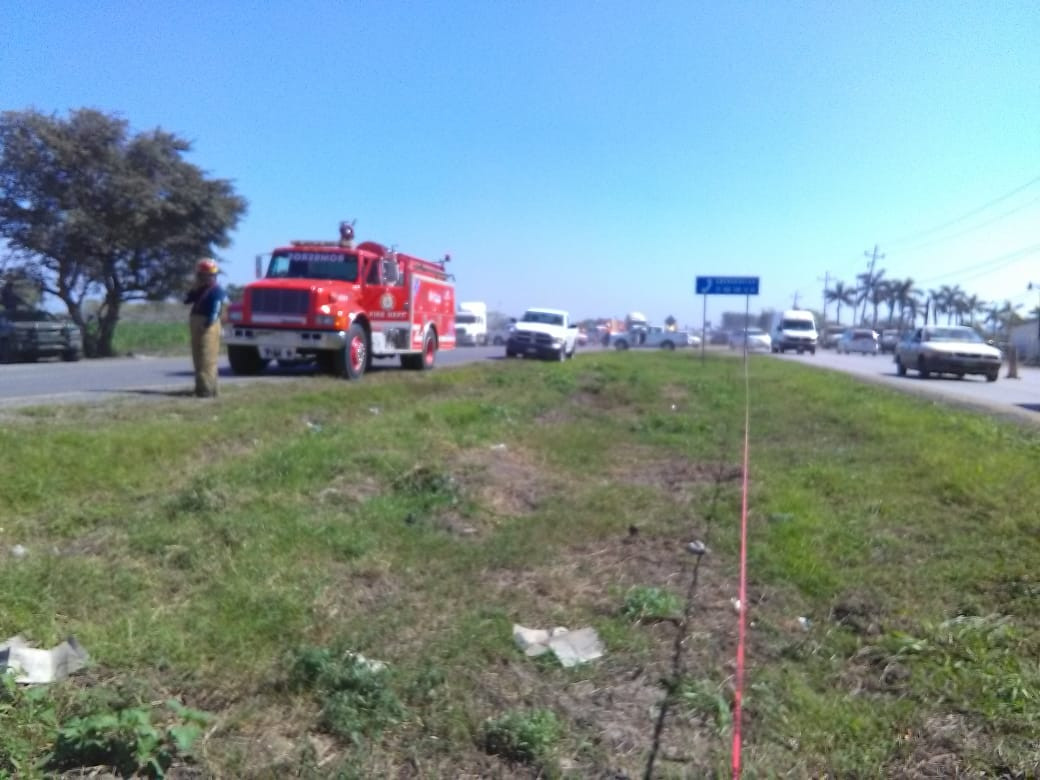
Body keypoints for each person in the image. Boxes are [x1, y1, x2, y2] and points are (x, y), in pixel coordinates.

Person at [184, 258, 228, 398]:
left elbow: (216, 310)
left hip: (208, 325)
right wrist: (194, 287)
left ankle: (206, 390)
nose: (204, 278)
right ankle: (201, 388)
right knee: (198, 357)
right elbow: (187, 300)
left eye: (208, 275)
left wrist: (207, 324)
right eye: (201, 275)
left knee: (206, 358)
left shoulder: (217, 290)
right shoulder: (201, 290)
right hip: (197, 323)